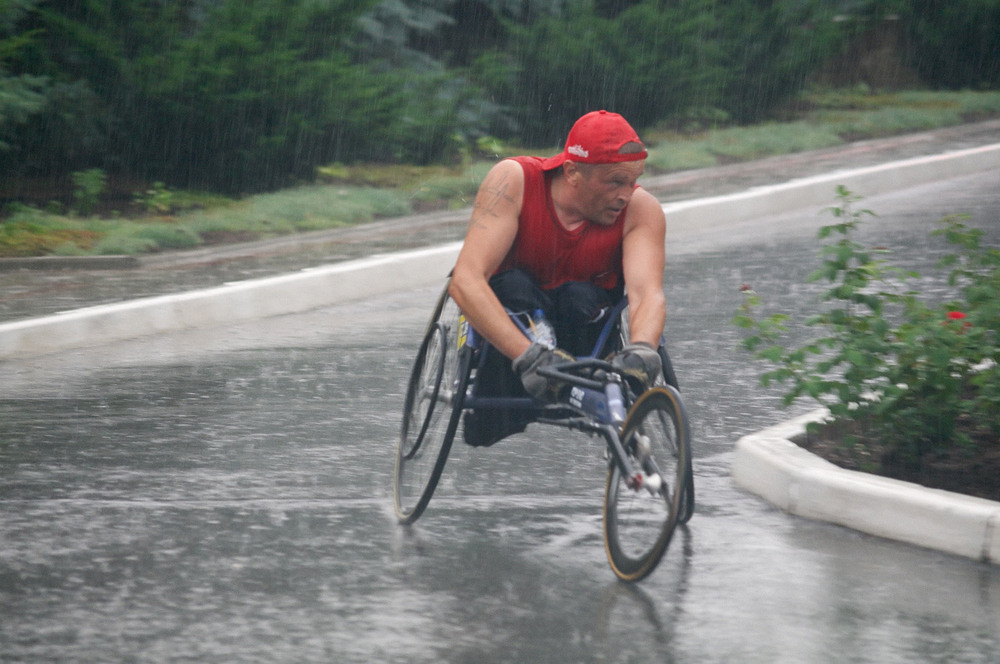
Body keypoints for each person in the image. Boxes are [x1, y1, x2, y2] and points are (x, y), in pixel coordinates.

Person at [449, 110, 667, 445]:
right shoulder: (513, 181)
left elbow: (646, 294)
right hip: (513, 337)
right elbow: (465, 281)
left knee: (579, 297)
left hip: (583, 329)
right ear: (572, 172)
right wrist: (528, 355)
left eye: (632, 180)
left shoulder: (641, 209)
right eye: (614, 182)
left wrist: (641, 351)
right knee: (516, 286)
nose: (626, 195)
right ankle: (515, 390)